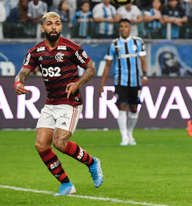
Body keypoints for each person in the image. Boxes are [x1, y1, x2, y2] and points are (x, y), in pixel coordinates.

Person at [14, 12, 103, 196]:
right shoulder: (35, 52)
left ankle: (92, 162)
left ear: (61, 27)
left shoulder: (71, 48)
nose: (53, 27)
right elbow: (23, 73)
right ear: (42, 28)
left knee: (59, 142)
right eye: (49, 24)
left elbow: (91, 67)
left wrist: (78, 83)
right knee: (41, 145)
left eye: (57, 24)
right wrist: (18, 83)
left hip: (70, 103)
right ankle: (67, 184)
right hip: (51, 102)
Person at [99, 19, 148, 146]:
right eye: (121, 26)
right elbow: (108, 65)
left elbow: (143, 60)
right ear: (119, 29)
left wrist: (145, 75)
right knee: (122, 106)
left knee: (134, 108)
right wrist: (102, 84)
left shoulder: (138, 42)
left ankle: (130, 133)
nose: (123, 28)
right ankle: (124, 137)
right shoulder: (114, 44)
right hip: (120, 80)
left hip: (135, 80)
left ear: (130, 28)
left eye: (126, 26)